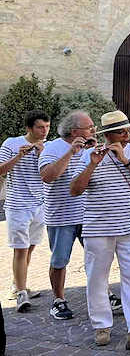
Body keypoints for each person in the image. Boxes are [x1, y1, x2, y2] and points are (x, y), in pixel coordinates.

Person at [70, 111, 130, 350]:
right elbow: (75, 189)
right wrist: (92, 165)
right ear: (107, 135)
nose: (126, 135)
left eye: (128, 130)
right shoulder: (88, 155)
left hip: (128, 226)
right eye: (121, 131)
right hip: (97, 228)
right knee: (97, 278)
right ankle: (101, 326)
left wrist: (126, 160)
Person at [38, 110, 96, 320]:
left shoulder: (92, 148)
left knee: (97, 257)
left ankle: (103, 294)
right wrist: (71, 152)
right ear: (74, 132)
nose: (93, 129)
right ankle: (58, 300)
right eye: (89, 127)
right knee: (60, 259)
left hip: (88, 214)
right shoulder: (53, 148)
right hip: (61, 216)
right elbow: (48, 176)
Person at [1, 110, 50, 312]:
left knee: (29, 247)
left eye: (47, 127)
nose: (44, 131)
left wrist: (42, 154)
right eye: (40, 127)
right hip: (18, 204)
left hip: (40, 204)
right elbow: (1, 170)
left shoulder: (47, 146)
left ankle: (17, 284)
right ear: (29, 128)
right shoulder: (11, 143)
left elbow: (51, 174)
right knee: (19, 249)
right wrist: (19, 156)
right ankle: (21, 293)